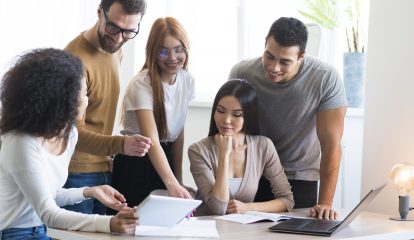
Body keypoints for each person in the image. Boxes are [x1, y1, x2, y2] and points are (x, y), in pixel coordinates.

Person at [0, 48, 139, 239]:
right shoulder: (20, 142)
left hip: (41, 230)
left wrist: (90, 191)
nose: (87, 100)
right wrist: (109, 223)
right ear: (60, 99)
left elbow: (50, 195)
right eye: (82, 93)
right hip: (13, 233)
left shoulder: (69, 134)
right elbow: (48, 212)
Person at [229, 17, 347, 220]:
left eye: (285, 62)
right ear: (265, 43)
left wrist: (325, 202)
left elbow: (331, 144)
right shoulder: (242, 73)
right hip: (253, 173)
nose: (274, 68)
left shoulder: (325, 78)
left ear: (301, 56)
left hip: (299, 176)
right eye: (269, 56)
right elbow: (231, 129)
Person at [63, 0, 152, 215]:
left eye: (129, 32)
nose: (119, 38)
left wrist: (107, 155)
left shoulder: (116, 49)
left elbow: (98, 114)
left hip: (102, 167)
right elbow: (70, 133)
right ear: (99, 13)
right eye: (113, 27)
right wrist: (120, 145)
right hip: (76, 173)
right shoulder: (75, 62)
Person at [110, 17, 195, 210]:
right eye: (164, 51)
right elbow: (152, 139)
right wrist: (171, 183)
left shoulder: (187, 79)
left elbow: (178, 134)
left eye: (178, 49)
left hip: (164, 159)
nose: (172, 57)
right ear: (153, 52)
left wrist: (177, 179)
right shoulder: (142, 83)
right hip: (137, 162)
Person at [188, 79, 294, 216]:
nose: (226, 120)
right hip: (207, 229)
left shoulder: (263, 146)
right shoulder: (198, 150)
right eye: (220, 111)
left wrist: (249, 207)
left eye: (236, 115)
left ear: (248, 116)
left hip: (241, 231)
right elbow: (218, 208)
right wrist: (223, 155)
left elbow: (287, 201)